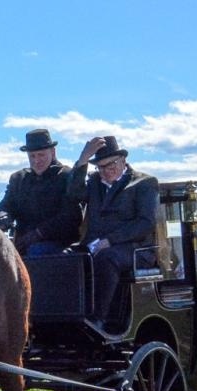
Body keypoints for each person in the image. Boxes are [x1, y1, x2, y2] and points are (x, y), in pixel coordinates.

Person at [67, 135, 160, 334]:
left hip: (135, 249)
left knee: (107, 258)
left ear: (123, 161)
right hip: (95, 245)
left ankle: (99, 319)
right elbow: (73, 194)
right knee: (64, 257)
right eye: (101, 167)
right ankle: (67, 316)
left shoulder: (144, 183)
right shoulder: (94, 183)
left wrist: (110, 240)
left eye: (111, 166)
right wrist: (83, 160)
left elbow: (145, 223)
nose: (106, 171)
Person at [0, 128, 82, 256]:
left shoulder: (66, 176)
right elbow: (6, 205)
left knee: (36, 251)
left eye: (41, 155)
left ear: (53, 152)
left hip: (58, 243)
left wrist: (38, 234)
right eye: (32, 156)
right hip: (22, 243)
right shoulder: (19, 179)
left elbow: (70, 216)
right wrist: (3, 216)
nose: (36, 160)